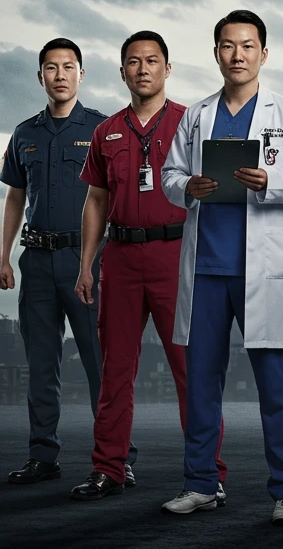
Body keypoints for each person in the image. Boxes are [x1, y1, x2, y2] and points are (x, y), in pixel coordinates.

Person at [159, 10, 283, 525]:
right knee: (202, 384)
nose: (238, 55)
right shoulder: (196, 115)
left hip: (264, 271)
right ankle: (201, 484)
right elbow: (168, 174)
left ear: (264, 54)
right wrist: (186, 186)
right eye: (228, 47)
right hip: (207, 269)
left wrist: (269, 184)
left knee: (276, 385)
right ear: (216, 55)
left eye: (248, 46)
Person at [71, 32, 227, 501]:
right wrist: (86, 264)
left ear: (167, 68)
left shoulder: (192, 123)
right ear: (122, 73)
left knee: (190, 368)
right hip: (119, 258)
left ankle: (209, 475)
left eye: (152, 60)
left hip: (177, 255)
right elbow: (96, 199)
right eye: (133, 62)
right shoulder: (106, 131)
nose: (143, 69)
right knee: (115, 368)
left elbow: (219, 189)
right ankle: (109, 468)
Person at [1, 39, 114, 485]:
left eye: (69, 67)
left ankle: (116, 456)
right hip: (37, 261)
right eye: (51, 67)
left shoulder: (102, 129)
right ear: (41, 77)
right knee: (40, 363)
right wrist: (5, 255)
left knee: (99, 362)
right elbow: (15, 197)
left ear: (81, 74)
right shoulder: (25, 133)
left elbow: (113, 198)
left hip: (86, 261)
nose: (60, 74)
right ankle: (42, 455)